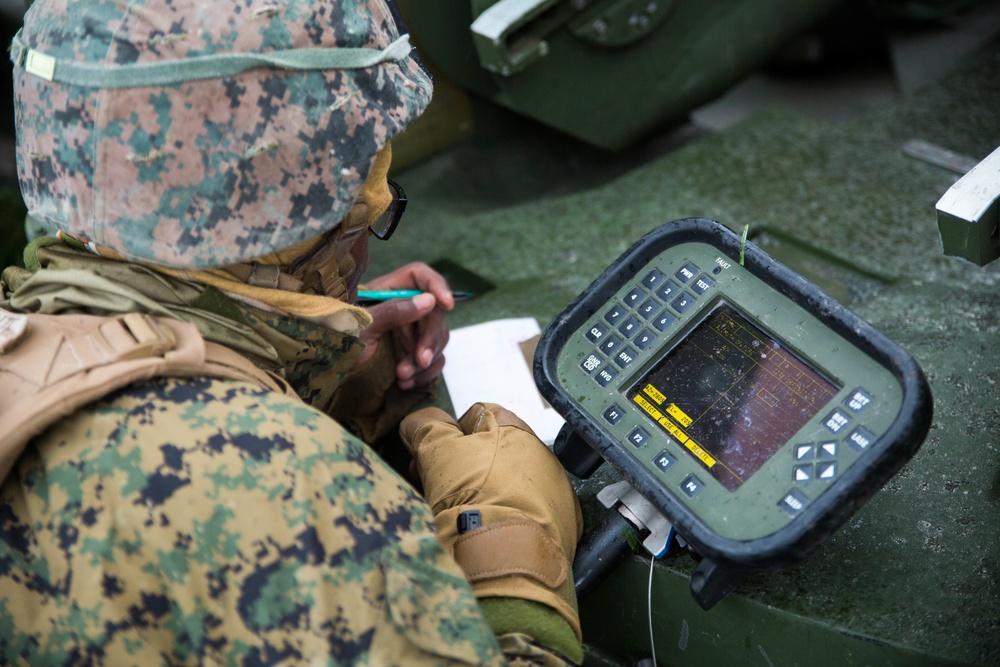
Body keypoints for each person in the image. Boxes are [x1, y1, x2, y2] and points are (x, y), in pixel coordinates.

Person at [0, 0, 584, 664]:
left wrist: (302, 370)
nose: (366, 232)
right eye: (363, 207)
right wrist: (514, 557)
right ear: (294, 228)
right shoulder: (294, 496)